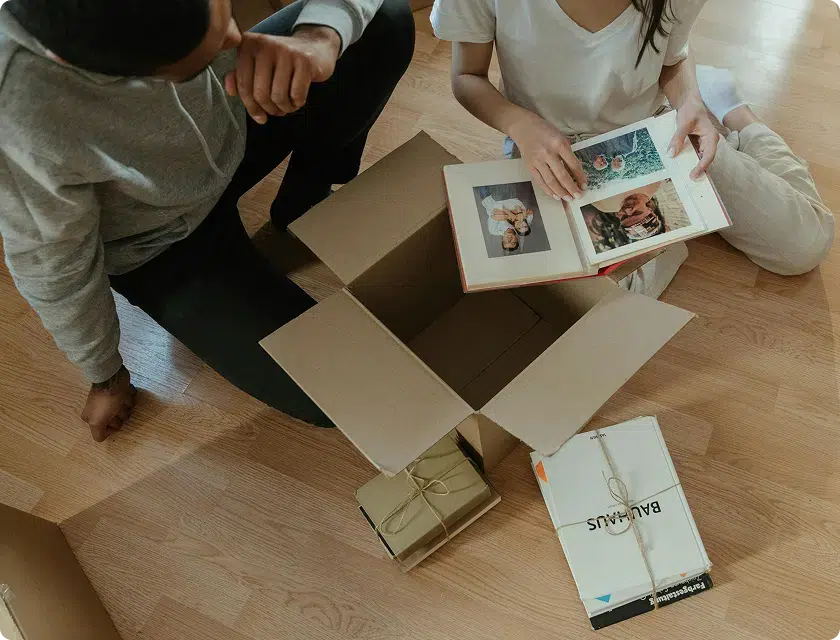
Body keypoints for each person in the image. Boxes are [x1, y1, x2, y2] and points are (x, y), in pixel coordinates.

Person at [0, 0, 415, 441]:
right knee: (342, 389)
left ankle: (306, 198)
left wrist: (319, 37)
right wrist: (105, 374)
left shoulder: (216, 46)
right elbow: (53, 269)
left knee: (384, 18)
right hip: (157, 240)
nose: (236, 39)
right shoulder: (19, 115)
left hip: (234, 112)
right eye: (193, 65)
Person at [431, 0, 834, 278]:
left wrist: (690, 101)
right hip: (545, 148)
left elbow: (674, 56)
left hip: (656, 129)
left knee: (804, 246)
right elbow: (467, 76)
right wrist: (520, 124)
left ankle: (736, 114)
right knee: (585, 299)